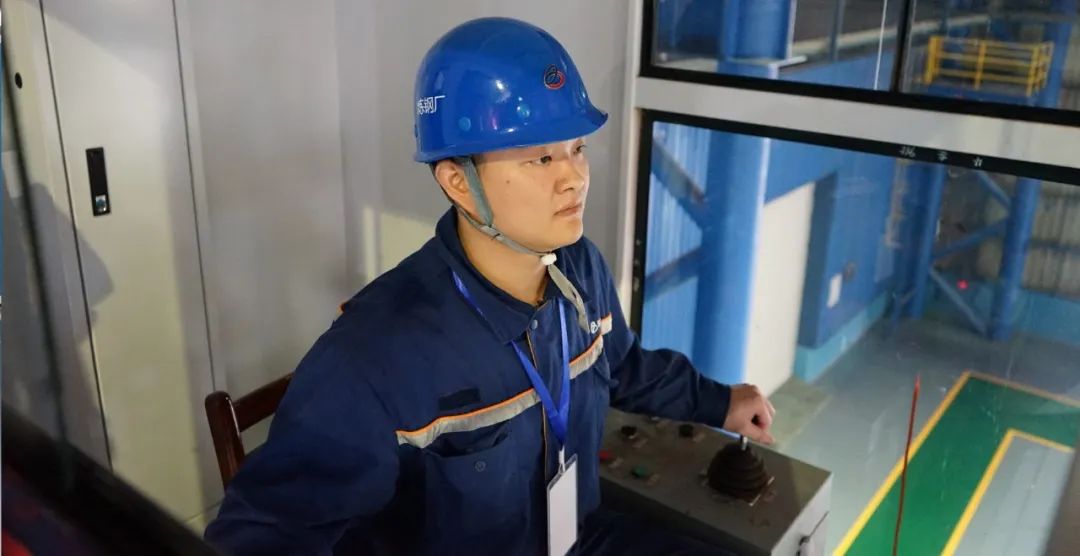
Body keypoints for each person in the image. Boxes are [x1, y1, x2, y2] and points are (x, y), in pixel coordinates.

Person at [204, 17, 775, 556]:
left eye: (577, 148)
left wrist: (720, 402)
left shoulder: (579, 270)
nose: (574, 177)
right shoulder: (378, 355)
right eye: (540, 158)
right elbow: (265, 532)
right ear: (458, 182)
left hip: (575, 537)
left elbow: (622, 366)